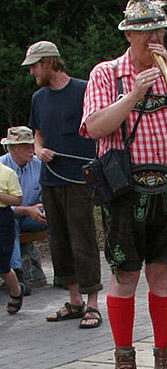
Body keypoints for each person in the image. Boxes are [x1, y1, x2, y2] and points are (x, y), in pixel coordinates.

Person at [80, 0, 167, 369]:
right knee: (125, 277)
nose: (156, 39)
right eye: (148, 32)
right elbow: (96, 127)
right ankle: (124, 364)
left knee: (163, 276)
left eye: (161, 31)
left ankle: (165, 361)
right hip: (125, 188)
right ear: (129, 36)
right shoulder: (106, 74)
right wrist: (134, 94)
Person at [22, 40, 102, 325]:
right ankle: (74, 301)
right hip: (50, 178)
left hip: (79, 178)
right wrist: (39, 148)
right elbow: (37, 133)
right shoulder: (38, 98)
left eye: (34, 66)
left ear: (48, 63)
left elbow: (98, 127)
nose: (32, 72)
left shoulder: (83, 90)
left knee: (83, 238)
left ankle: (93, 303)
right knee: (59, 239)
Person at [0, 126, 46, 281]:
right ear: (12, 148)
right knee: (9, 222)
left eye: (32, 146)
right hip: (6, 216)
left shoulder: (39, 165)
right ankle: (16, 274)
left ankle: (66, 273)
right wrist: (26, 210)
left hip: (31, 216)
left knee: (57, 218)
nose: (31, 150)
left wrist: (42, 208)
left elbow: (44, 195)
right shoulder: (1, 167)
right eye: (26, 147)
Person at [0, 161, 25, 314]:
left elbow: (17, 199)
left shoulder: (7, 173)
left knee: (2, 265)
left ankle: (16, 290)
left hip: (3, 219)